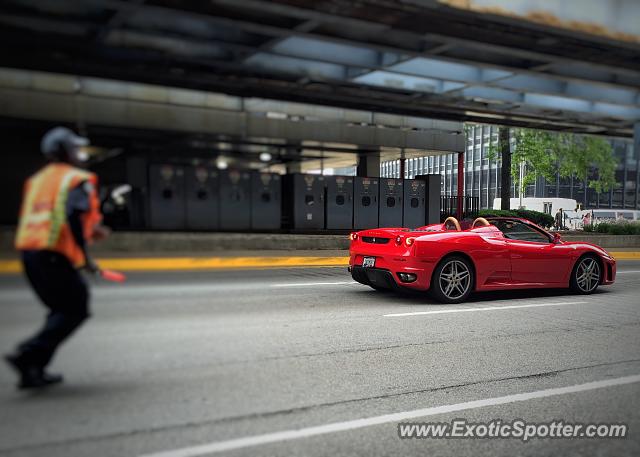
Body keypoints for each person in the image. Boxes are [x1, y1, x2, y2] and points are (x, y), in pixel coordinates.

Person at [4, 127, 110, 389]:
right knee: (75, 307)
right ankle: (27, 354)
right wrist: (85, 256)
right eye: (75, 148)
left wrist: (90, 232)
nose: (79, 154)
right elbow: (73, 214)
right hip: (53, 254)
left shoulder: (37, 180)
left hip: (30, 253)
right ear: (64, 151)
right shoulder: (76, 179)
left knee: (61, 310)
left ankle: (33, 370)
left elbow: (52, 215)